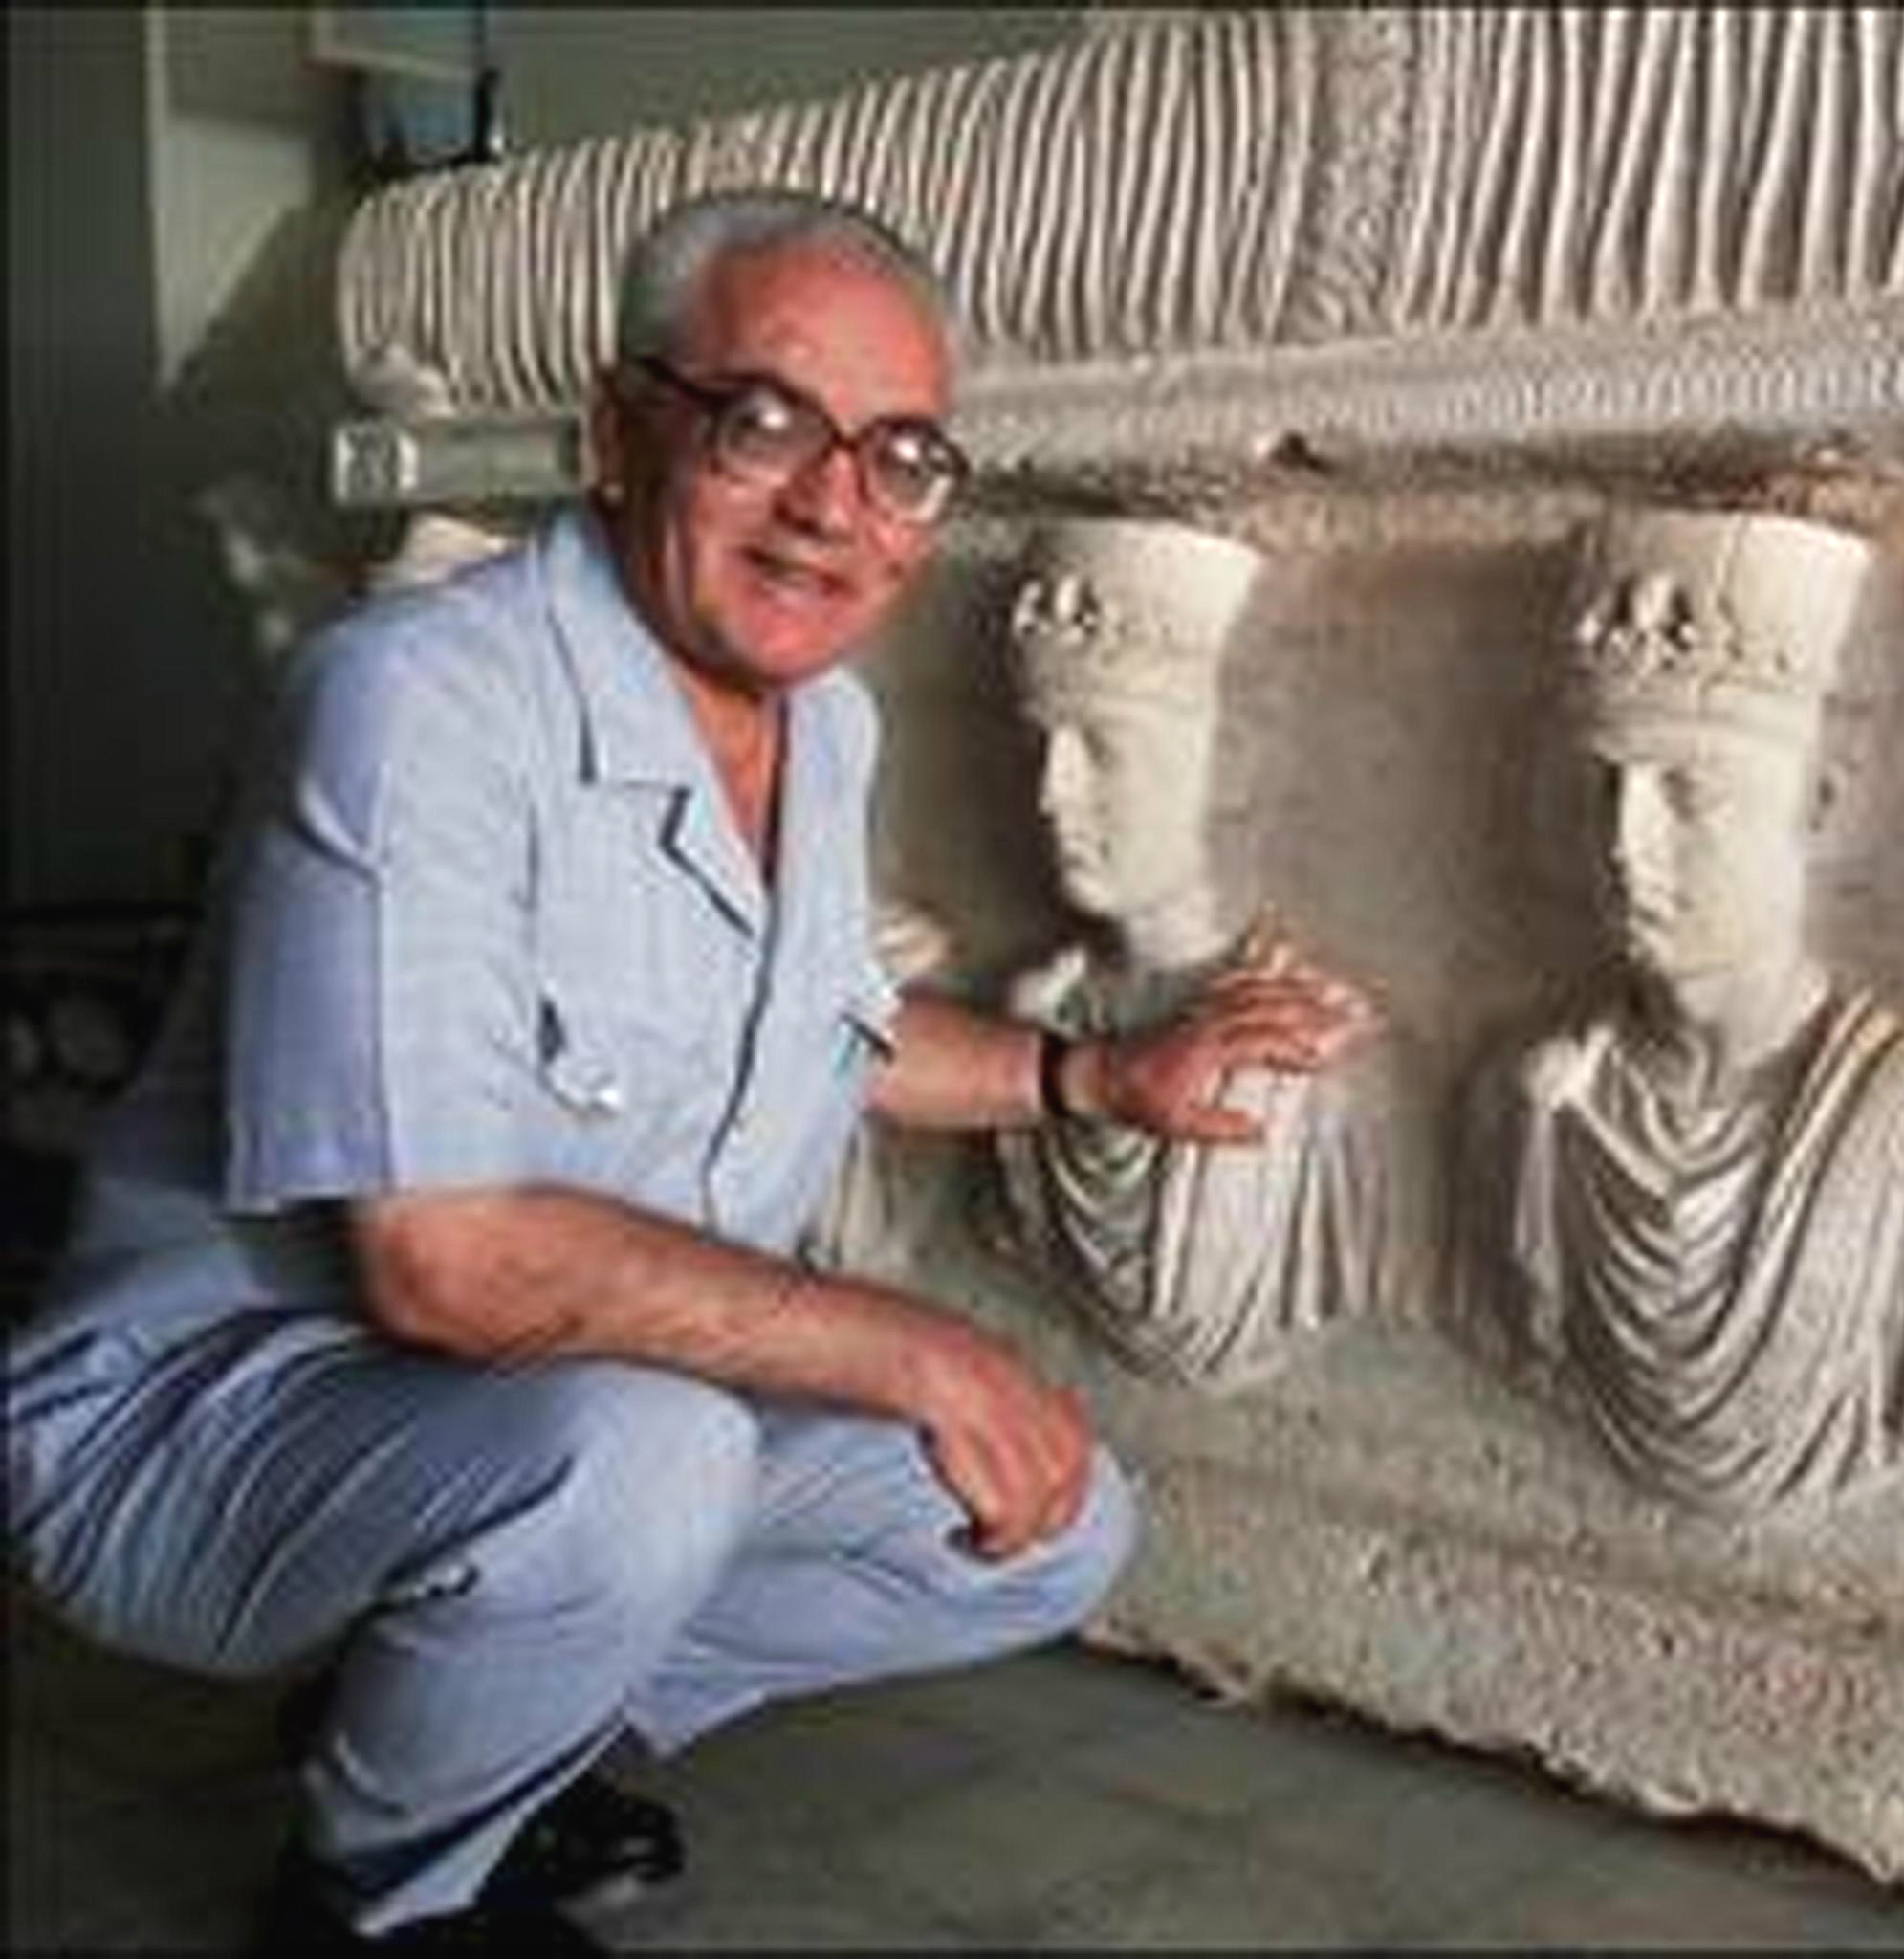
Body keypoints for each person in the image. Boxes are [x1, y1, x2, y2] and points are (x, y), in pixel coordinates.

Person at [4, 187, 1370, 1954]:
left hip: (536, 1420)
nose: (833, 505)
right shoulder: (416, 703)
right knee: (644, 1453)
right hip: (203, 1420)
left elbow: (822, 1023)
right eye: (767, 421)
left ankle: (501, 1732)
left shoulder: (823, 723)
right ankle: (375, 1894)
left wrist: (1099, 1078)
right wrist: (913, 1344)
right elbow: (447, 1262)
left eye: (900, 455)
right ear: (618, 428)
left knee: (1047, 1522)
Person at [1465, 509, 1904, 1516]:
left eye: (1689, 795)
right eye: (1606, 788)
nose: (1625, 847)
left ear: (1819, 806)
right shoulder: (1523, 1107)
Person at [988, 517, 1418, 1389]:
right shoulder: (1035, 1018)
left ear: (1234, 764)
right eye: (1039, 745)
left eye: (1103, 749)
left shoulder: (1321, 1067)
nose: (1050, 796)